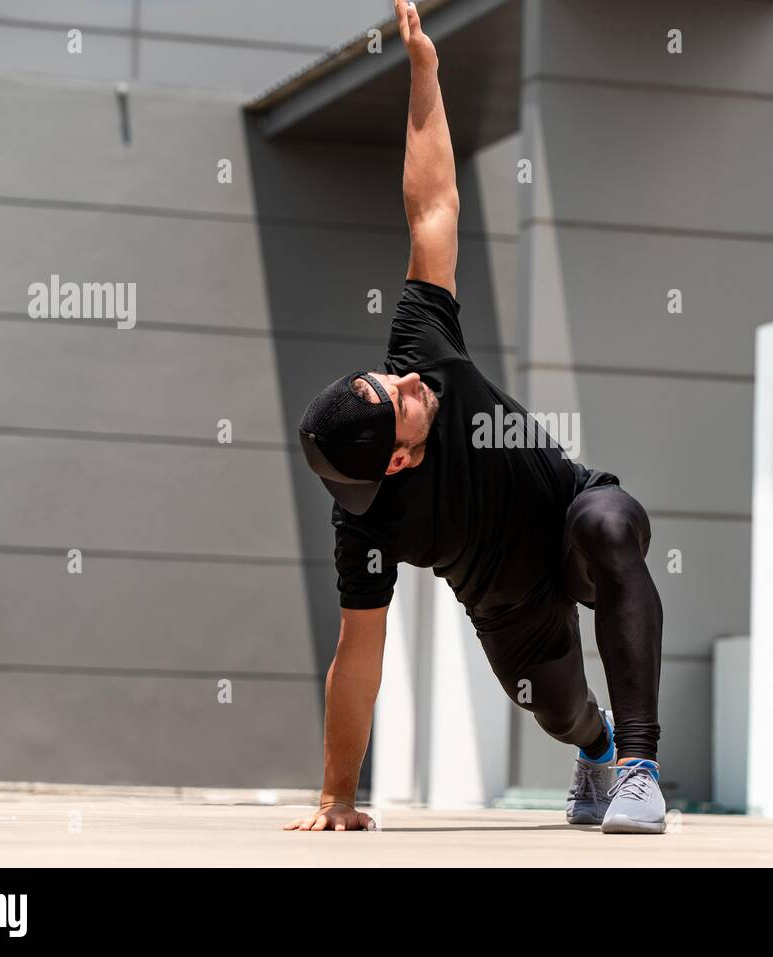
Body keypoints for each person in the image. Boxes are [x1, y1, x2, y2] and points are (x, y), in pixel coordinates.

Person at [284, 0, 665, 835]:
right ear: (391, 462)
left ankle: (640, 768)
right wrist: (336, 796)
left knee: (611, 521)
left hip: (565, 513)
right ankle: (600, 755)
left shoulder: (421, 342)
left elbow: (432, 207)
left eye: (389, 381)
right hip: (510, 610)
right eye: (397, 402)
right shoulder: (367, 525)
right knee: (563, 712)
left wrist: (424, 75)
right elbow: (359, 656)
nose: (409, 384)